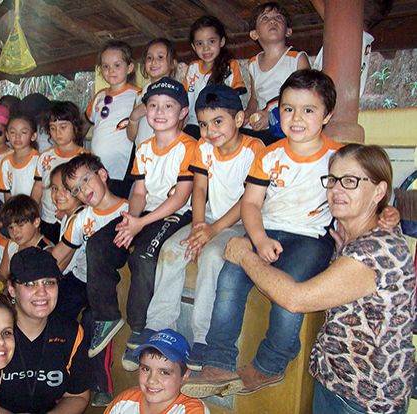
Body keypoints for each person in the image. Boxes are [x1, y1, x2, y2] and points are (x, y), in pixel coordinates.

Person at [181, 69, 341, 398]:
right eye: (288, 109)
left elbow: (358, 197)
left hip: (311, 238)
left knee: (289, 289)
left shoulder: (338, 157)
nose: (296, 118)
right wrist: (258, 239)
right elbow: (252, 204)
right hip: (266, 231)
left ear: (327, 115)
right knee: (230, 276)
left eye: (308, 110)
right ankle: (218, 361)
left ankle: (271, 363)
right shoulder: (270, 155)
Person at [222, 144, 415, 413]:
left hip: (363, 400)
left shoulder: (376, 249)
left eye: (350, 181)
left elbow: (295, 299)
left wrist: (245, 256)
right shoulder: (356, 240)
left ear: (379, 191)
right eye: (333, 180)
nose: (337, 189)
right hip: (337, 384)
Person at [141, 84, 264, 371]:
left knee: (210, 257)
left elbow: (248, 200)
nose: (210, 131)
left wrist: (213, 231)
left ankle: (202, 337)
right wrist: (198, 226)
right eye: (204, 124)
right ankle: (158, 325)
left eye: (218, 121)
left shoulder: (253, 149)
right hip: (208, 217)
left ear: (239, 119)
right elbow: (199, 188)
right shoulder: (203, 147)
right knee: (172, 250)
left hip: (241, 222)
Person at [86, 78, 195, 359]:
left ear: (183, 112)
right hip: (145, 213)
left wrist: (140, 225)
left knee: (143, 256)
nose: (159, 112)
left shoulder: (189, 147)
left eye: (168, 106)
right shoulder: (144, 148)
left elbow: (180, 197)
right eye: (153, 105)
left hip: (177, 214)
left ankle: (139, 328)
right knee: (98, 244)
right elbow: (138, 192)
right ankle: (107, 316)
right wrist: (130, 220)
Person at [50, 162, 115, 407]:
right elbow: (60, 254)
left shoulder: (127, 209)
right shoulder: (81, 217)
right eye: (75, 188)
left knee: (93, 320)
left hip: (107, 285)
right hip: (80, 279)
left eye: (84, 182)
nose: (81, 190)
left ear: (102, 175)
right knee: (53, 312)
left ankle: (101, 385)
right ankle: (54, 378)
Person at [0, 247, 91, 413]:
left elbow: (78, 396)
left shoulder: (70, 332)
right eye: (30, 284)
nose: (42, 292)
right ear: (12, 289)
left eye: (49, 282)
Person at [244, 2, 310, 143]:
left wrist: (271, 117)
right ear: (254, 34)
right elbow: (254, 99)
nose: (272, 21)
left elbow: (306, 96)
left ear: (288, 31)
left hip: (286, 124)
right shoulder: (253, 64)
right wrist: (247, 114)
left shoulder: (296, 58)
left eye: (278, 17)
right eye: (265, 18)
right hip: (262, 126)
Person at [105, 329, 209, 414]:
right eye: (146, 369)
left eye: (164, 372)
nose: (151, 380)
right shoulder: (124, 402)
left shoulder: (191, 410)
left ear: (185, 375)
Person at [87, 40, 140, 198]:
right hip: (97, 167)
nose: (111, 70)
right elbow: (88, 122)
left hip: (122, 168)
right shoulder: (99, 96)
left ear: (130, 67)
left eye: (117, 65)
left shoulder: (138, 95)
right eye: (105, 66)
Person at [183, 16, 246, 139]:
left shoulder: (230, 66)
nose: (205, 48)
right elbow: (184, 99)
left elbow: (238, 99)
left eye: (211, 41)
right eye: (199, 43)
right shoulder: (192, 68)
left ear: (221, 41)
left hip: (221, 125)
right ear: (193, 46)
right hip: (195, 124)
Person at [31, 101, 85, 244]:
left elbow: (88, 194)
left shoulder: (84, 158)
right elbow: (38, 187)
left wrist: (68, 212)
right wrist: (32, 212)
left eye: (63, 127)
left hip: (73, 220)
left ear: (75, 126)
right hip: (47, 219)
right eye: (52, 128)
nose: (57, 133)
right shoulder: (45, 157)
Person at [128, 38, 178, 146]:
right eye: (149, 57)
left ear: (172, 63)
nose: (153, 62)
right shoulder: (140, 94)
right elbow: (131, 137)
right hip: (141, 153)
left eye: (160, 57)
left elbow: (180, 127)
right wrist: (134, 117)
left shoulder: (176, 91)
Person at [0, 194, 53, 281]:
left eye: (20, 225)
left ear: (36, 222)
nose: (15, 232)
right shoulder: (12, 244)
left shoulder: (46, 251)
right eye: (10, 227)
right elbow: (2, 275)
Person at [0, 113, 40, 201]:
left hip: (33, 208)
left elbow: (39, 191)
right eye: (13, 132)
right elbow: (7, 194)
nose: (17, 136)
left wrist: (30, 209)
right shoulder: (5, 162)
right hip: (13, 209)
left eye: (23, 132)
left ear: (33, 136)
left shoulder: (39, 160)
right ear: (7, 135)